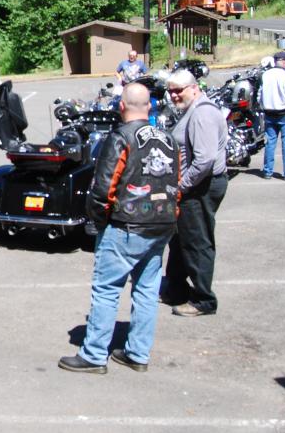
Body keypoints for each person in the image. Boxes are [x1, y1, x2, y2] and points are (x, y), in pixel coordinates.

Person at [58, 83, 179, 374]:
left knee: (107, 289)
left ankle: (94, 355)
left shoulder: (120, 137)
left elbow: (103, 187)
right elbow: (177, 181)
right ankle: (138, 353)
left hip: (125, 224)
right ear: (149, 107)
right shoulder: (170, 139)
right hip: (161, 223)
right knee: (147, 290)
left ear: (121, 106)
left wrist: (99, 221)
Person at [162, 69, 228, 317]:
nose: (174, 95)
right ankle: (176, 290)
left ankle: (204, 300)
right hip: (194, 185)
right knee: (180, 239)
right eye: (170, 91)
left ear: (194, 87)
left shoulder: (202, 113)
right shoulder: (191, 110)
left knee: (197, 241)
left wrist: (181, 186)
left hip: (201, 186)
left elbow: (204, 161)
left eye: (178, 90)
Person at [259, 50, 285, 181]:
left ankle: (267, 171)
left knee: (270, 143)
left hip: (269, 113)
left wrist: (263, 108)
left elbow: (259, 95)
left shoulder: (264, 75)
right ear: (283, 61)